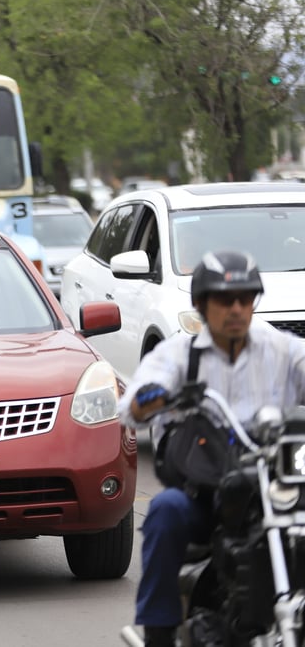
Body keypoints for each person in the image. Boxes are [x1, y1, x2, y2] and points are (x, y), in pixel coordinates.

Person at [119, 250, 305, 647]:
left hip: (273, 487)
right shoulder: (178, 356)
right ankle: (159, 629)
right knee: (165, 512)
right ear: (201, 304)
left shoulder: (283, 349)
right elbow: (131, 408)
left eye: (245, 298)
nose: (237, 308)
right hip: (205, 491)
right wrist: (153, 397)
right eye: (225, 299)